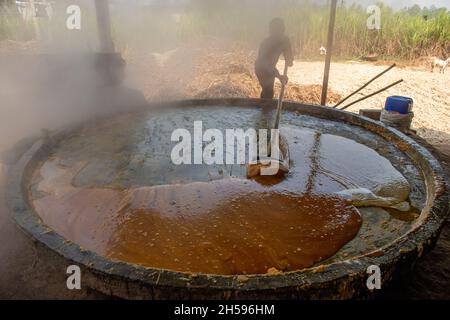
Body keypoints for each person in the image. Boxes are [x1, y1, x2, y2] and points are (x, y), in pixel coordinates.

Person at [255, 18, 294, 99]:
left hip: (271, 68)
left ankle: (264, 108)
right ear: (271, 31)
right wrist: (279, 76)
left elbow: (289, 59)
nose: (279, 32)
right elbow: (265, 65)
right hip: (261, 69)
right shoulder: (266, 44)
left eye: (280, 29)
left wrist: (289, 57)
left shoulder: (285, 40)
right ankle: (264, 109)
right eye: (275, 30)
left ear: (283, 29)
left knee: (269, 92)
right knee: (268, 91)